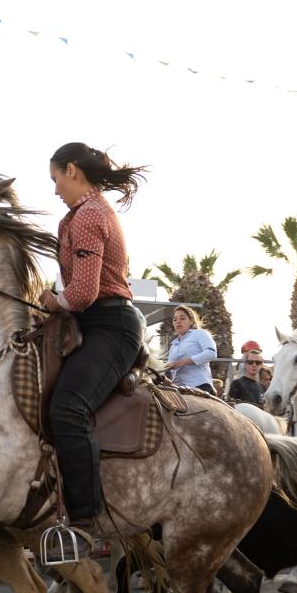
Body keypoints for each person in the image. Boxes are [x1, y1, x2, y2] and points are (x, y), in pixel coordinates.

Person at [38, 142, 147, 561]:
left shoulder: (88, 216)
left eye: (55, 180)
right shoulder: (86, 212)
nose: (54, 190)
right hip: (94, 323)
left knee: (68, 408)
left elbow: (81, 293)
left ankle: (84, 523)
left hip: (109, 325)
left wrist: (53, 302)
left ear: (71, 171)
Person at [167, 304, 217, 394]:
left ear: (191, 321)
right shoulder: (173, 344)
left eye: (182, 318)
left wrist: (183, 362)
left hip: (199, 386)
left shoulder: (199, 333)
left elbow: (211, 353)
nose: (178, 321)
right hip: (178, 389)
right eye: (175, 319)